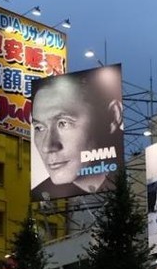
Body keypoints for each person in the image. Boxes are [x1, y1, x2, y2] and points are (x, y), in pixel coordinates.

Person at [30, 66, 124, 201]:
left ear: (113, 116)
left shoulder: (134, 174)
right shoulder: (42, 193)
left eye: (63, 123)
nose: (47, 146)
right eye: (39, 127)